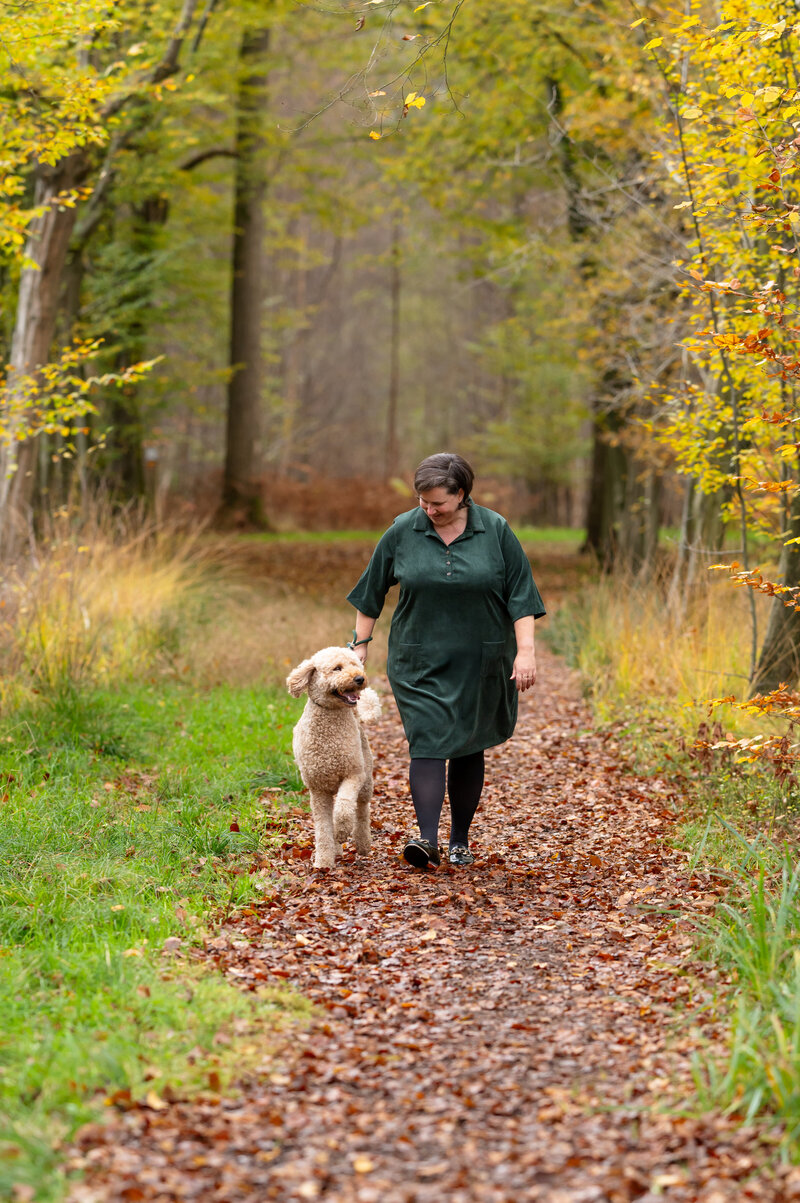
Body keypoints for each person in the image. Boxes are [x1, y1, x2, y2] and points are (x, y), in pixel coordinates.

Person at [345, 451, 545, 869]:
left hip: (482, 658)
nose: (429, 509)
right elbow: (371, 591)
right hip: (418, 659)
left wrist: (525, 651)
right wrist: (359, 645)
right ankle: (427, 839)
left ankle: (459, 840)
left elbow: (521, 595)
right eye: (423, 500)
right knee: (429, 740)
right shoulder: (404, 529)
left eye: (438, 502)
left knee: (469, 746)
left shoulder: (494, 529)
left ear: (462, 495)